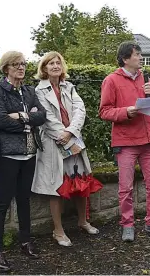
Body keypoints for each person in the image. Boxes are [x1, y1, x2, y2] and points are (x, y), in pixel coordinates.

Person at [99, 41, 150, 242]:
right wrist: (126, 112)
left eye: (140, 54)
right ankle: (127, 225)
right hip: (126, 142)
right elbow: (104, 111)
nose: (140, 58)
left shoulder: (147, 79)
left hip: (148, 140)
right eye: (137, 54)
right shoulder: (111, 80)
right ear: (125, 58)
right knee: (125, 188)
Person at [32, 52, 102, 247]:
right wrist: (66, 138)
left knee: (80, 182)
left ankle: (83, 221)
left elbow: (81, 110)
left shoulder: (69, 87)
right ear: (44, 68)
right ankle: (58, 231)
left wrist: (71, 132)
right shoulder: (39, 91)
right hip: (54, 144)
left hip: (72, 138)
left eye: (58, 62)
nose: (55, 66)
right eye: (51, 63)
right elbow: (46, 119)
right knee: (56, 187)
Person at [0, 51, 46, 272]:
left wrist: (19, 116)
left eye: (23, 64)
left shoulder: (29, 90)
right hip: (6, 156)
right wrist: (26, 118)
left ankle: (25, 241)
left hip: (29, 153)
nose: (21, 68)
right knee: (2, 203)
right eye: (15, 64)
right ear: (6, 68)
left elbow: (42, 116)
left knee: (24, 199)